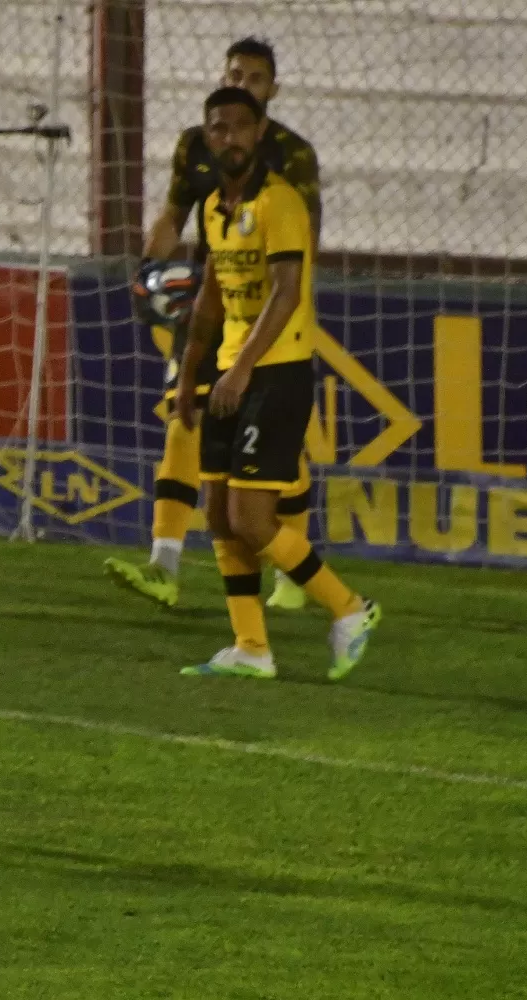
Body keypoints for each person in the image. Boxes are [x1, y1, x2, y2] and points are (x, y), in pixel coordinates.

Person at [105, 36, 320, 611]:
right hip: (209, 303)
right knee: (183, 414)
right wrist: (149, 270)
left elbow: (300, 252)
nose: (244, 83)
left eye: (255, 77)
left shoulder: (292, 156)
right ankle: (164, 566)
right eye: (236, 73)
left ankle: (293, 569)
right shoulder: (196, 146)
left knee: (273, 444)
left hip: (271, 311)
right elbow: (174, 218)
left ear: (272, 89)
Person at [176, 86, 379, 681]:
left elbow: (288, 293)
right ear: (207, 136)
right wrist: (191, 373)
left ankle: (350, 608)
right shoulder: (213, 206)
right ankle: (251, 647)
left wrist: (239, 370)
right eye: (218, 128)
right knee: (217, 513)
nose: (229, 137)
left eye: (241, 126)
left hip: (277, 372)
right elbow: (211, 297)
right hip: (227, 374)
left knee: (251, 518)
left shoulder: (281, 201)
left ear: (260, 131)